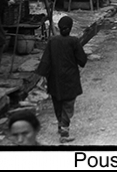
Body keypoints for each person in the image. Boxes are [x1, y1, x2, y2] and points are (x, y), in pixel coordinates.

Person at [36, 15, 87, 143]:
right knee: (68, 104)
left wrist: (42, 76)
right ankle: (64, 131)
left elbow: (45, 61)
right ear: (70, 28)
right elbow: (82, 60)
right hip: (70, 78)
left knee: (57, 103)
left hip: (54, 79)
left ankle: (60, 124)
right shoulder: (74, 41)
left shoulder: (52, 41)